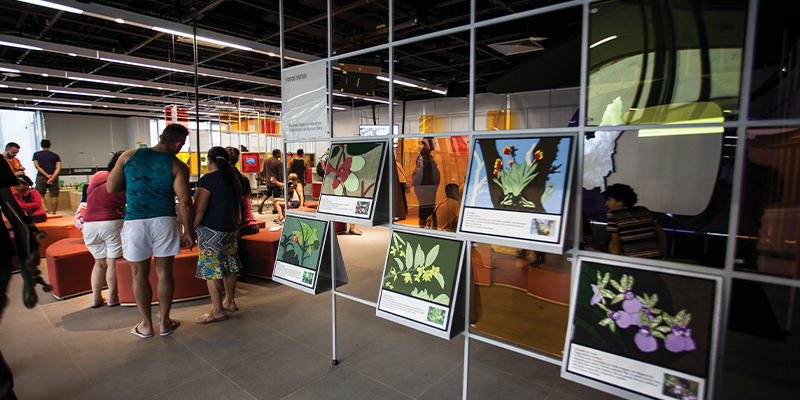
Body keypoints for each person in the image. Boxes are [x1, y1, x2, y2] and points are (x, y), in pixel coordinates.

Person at [107, 124, 194, 338]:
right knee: (164, 273)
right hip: (164, 221)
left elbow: (111, 187)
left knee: (139, 274)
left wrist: (136, 185)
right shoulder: (177, 165)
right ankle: (165, 322)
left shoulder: (128, 156)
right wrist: (188, 231)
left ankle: (146, 325)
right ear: (179, 144)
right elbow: (184, 203)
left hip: (135, 222)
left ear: (161, 136)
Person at [193, 147, 243, 324]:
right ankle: (229, 301)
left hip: (211, 232)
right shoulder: (234, 178)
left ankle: (217, 310)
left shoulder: (208, 179)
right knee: (229, 264)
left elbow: (199, 209)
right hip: (230, 229)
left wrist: (190, 230)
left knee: (211, 268)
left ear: (210, 160)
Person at [83, 151, 126, 309]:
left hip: (89, 225)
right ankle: (113, 297)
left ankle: (96, 298)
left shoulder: (97, 175)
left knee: (99, 263)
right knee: (112, 262)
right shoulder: (124, 182)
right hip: (111, 223)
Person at [602, 183, 667, 259]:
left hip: (633, 260)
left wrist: (615, 262)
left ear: (620, 202)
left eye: (609, 200)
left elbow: (615, 244)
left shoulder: (613, 214)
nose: (606, 204)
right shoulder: (644, 210)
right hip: (655, 258)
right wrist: (663, 256)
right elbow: (661, 234)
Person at [409, 140, 440, 227]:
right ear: (426, 144)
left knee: (428, 210)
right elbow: (418, 171)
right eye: (433, 142)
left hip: (427, 188)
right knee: (425, 211)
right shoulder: (424, 156)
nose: (435, 143)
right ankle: (422, 230)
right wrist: (414, 182)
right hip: (425, 189)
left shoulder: (427, 155)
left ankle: (426, 228)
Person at [32, 139, 61, 214]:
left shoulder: (36, 154)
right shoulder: (55, 155)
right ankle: (54, 212)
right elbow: (58, 167)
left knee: (40, 194)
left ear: (41, 145)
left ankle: (46, 210)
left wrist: (46, 175)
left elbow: (37, 166)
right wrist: (53, 176)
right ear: (50, 145)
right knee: (54, 195)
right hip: (53, 177)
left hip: (41, 176)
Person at [257, 148, 284, 214]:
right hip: (276, 181)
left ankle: (262, 203)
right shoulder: (279, 163)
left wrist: (265, 177)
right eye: (279, 153)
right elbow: (280, 173)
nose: (280, 154)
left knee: (267, 193)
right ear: (276, 154)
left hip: (269, 181)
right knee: (276, 196)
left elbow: (263, 169)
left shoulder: (266, 160)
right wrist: (281, 182)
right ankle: (275, 209)